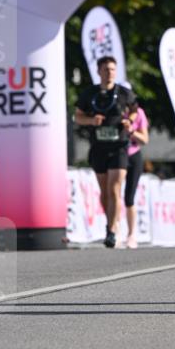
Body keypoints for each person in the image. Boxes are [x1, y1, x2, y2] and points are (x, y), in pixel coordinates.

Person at [74, 56, 138, 248]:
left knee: (114, 188)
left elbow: (135, 110)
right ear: (99, 72)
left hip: (119, 146)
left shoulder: (124, 93)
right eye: (106, 69)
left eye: (112, 69)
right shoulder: (90, 93)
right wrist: (91, 121)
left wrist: (129, 120)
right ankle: (111, 221)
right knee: (104, 192)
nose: (109, 73)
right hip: (99, 147)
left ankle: (111, 230)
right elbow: (78, 117)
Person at [123, 102, 149, 249]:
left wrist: (131, 131)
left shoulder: (139, 113)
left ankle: (131, 234)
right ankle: (114, 230)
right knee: (113, 193)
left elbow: (145, 139)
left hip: (133, 155)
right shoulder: (113, 109)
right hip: (116, 155)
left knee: (129, 197)